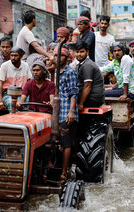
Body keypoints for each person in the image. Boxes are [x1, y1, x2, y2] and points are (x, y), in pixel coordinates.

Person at [54, 46, 78, 182]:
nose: (58, 58)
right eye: (56, 56)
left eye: (61, 56)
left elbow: (73, 93)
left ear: (67, 58)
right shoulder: (56, 71)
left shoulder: (70, 72)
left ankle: (64, 171)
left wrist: (71, 112)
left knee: (66, 143)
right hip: (56, 111)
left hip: (66, 111)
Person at [0, 47, 32, 112]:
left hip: (23, 93)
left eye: (15, 55)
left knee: (29, 105)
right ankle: (16, 121)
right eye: (11, 55)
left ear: (21, 56)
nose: (13, 57)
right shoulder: (5, 66)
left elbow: (29, 82)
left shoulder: (25, 65)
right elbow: (0, 84)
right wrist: (0, 101)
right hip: (8, 94)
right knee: (11, 103)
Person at [74, 41, 104, 110]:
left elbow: (88, 86)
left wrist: (81, 103)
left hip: (93, 99)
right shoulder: (80, 64)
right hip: (91, 97)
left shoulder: (87, 65)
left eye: (82, 52)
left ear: (87, 52)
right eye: (77, 52)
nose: (79, 54)